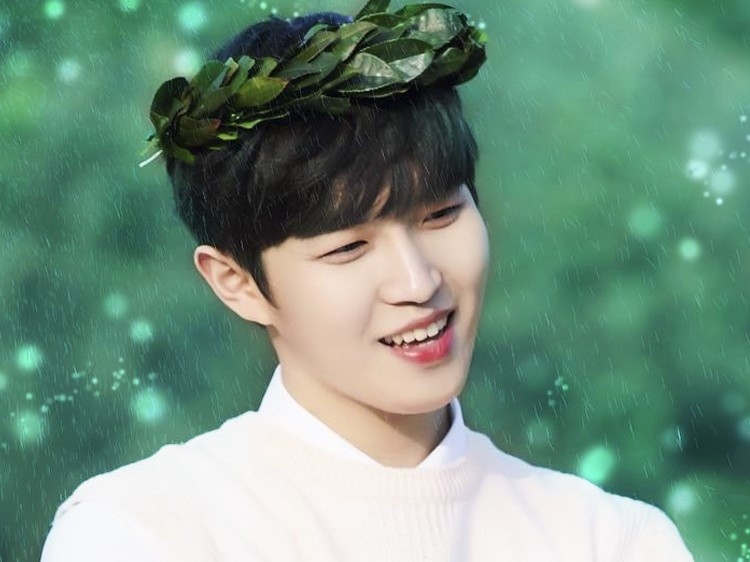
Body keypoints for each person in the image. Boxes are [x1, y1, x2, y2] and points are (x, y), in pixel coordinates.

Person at [42, 1, 695, 560]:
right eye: (349, 248)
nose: (417, 282)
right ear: (236, 282)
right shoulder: (143, 532)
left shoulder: (608, 540)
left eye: (440, 215)